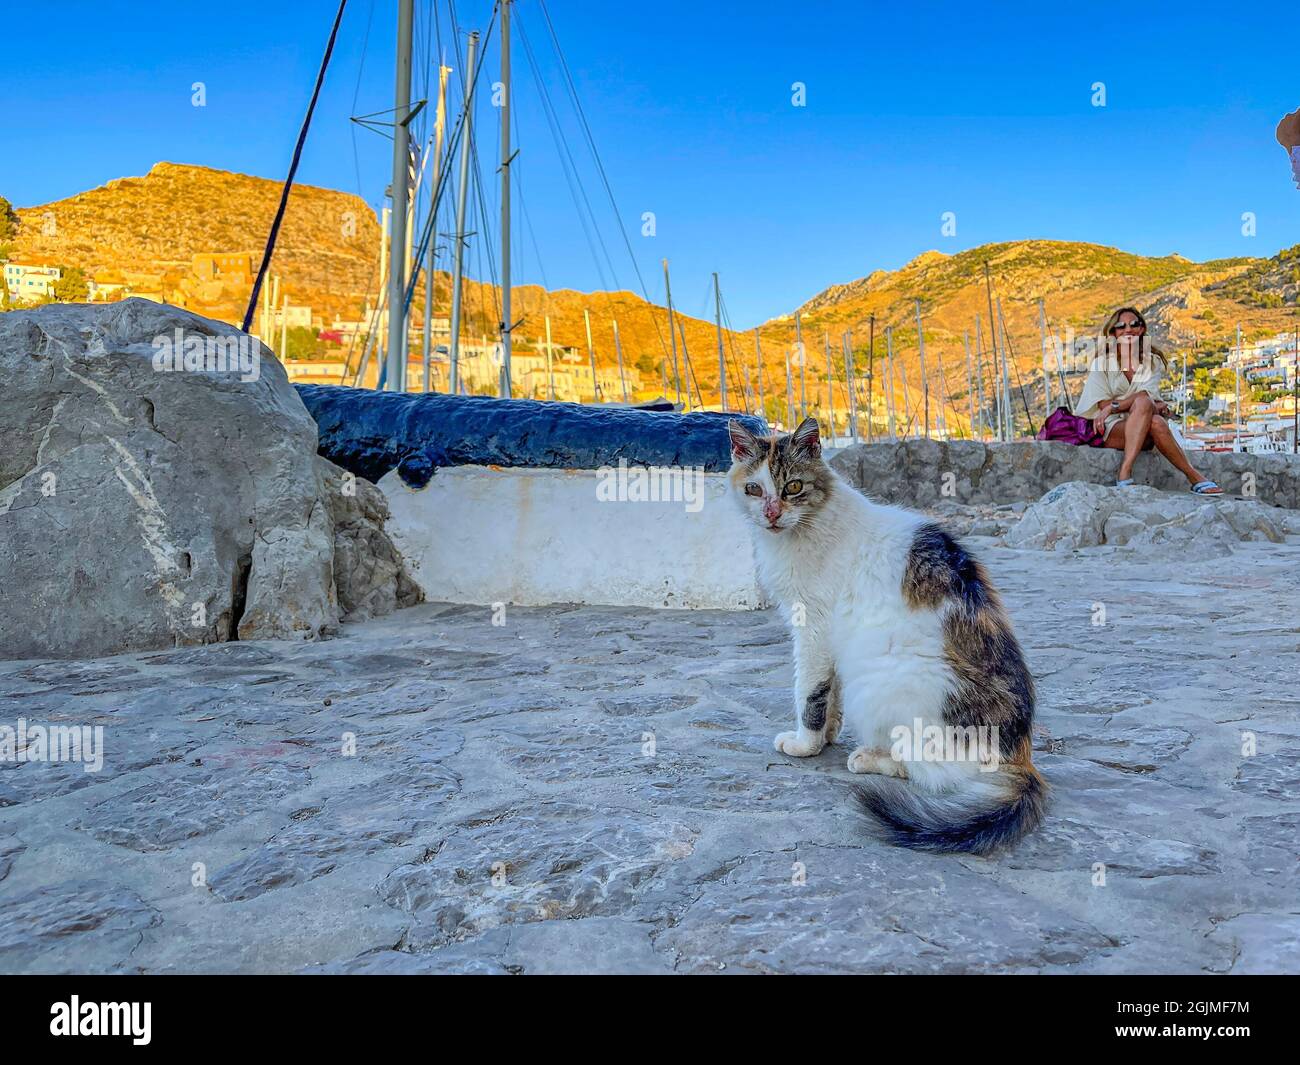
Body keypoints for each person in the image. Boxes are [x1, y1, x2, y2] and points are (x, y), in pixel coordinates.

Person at [1075, 307, 1222, 494]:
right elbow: (1103, 405)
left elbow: (1149, 400)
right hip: (1108, 428)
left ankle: (1126, 473)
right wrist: (1135, 403)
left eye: (1134, 324)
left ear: (1142, 329)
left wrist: (1119, 405)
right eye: (1121, 326)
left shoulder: (1152, 362)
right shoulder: (1101, 363)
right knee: (1149, 410)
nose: (1128, 330)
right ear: (1113, 333)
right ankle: (1193, 477)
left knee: (1152, 417)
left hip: (1143, 424)